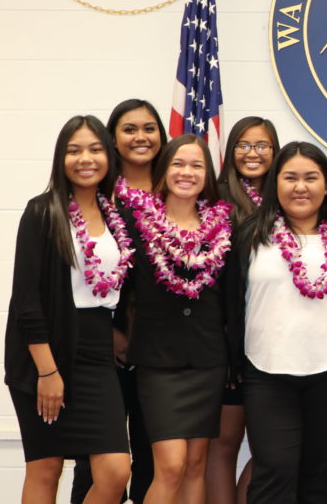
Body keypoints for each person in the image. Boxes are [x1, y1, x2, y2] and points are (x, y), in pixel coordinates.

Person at [6, 115, 131, 504]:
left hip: (96, 353)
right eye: (74, 150)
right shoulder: (43, 212)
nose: (85, 158)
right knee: (47, 468)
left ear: (109, 155)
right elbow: (27, 301)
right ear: (61, 158)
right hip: (46, 351)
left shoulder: (117, 216)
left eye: (95, 149)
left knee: (115, 470)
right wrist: (48, 371)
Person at [234, 143, 327, 503]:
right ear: (275, 183)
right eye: (290, 177)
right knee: (274, 468)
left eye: (311, 178)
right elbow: (231, 305)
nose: (300, 187)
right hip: (267, 373)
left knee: (318, 477)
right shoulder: (250, 237)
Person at [121, 134, 236, 504]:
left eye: (196, 165)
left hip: (207, 361)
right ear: (164, 169)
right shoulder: (137, 225)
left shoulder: (223, 229)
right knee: (170, 465)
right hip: (158, 363)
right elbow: (118, 291)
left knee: (196, 464)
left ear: (208, 174)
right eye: (178, 164)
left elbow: (231, 299)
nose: (187, 172)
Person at [73, 99, 168, 504]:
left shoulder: (177, 193)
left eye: (149, 128)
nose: (141, 137)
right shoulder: (97, 195)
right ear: (113, 138)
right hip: (103, 348)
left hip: (161, 350)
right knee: (95, 463)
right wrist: (111, 331)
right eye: (130, 129)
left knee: (152, 457)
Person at [209, 117, 281, 504]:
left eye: (262, 145)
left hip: (271, 341)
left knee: (273, 450)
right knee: (224, 444)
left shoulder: (286, 200)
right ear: (231, 150)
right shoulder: (216, 200)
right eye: (244, 145)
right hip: (225, 340)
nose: (252, 153)